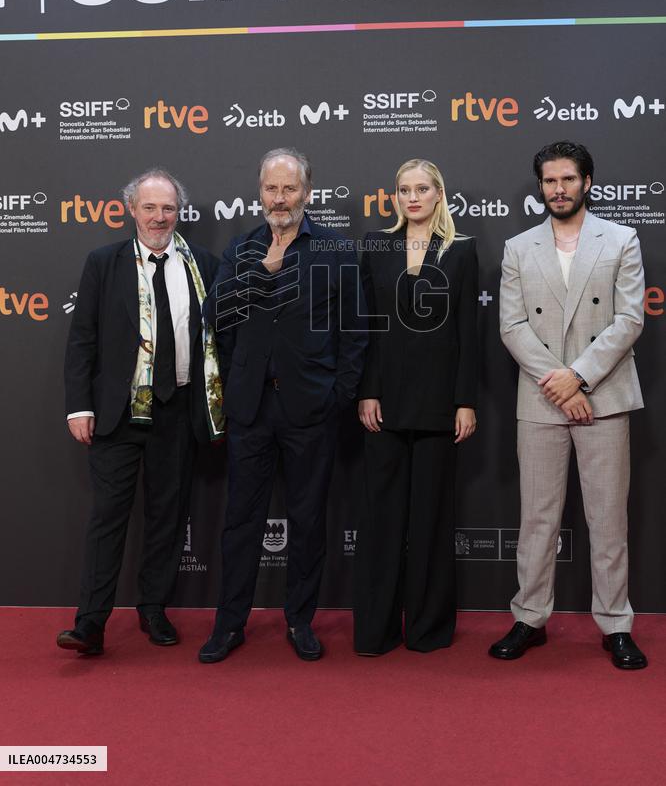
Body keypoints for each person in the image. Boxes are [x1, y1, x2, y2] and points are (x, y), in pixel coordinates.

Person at [199, 148, 367, 663]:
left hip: (310, 410)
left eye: (289, 189)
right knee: (240, 522)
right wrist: (264, 271)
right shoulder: (243, 248)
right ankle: (230, 625)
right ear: (260, 194)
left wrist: (337, 396)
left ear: (307, 193)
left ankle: (300, 621)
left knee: (308, 520)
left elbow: (355, 333)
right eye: (271, 189)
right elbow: (216, 315)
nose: (279, 198)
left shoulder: (336, 249)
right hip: (250, 410)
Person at [489, 141, 647, 669]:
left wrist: (577, 378)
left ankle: (616, 624)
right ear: (541, 186)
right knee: (537, 519)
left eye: (568, 179)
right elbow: (511, 325)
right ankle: (529, 617)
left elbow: (629, 321)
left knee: (608, 520)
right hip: (541, 400)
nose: (558, 189)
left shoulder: (622, 239)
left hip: (602, 396)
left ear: (587, 183)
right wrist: (558, 384)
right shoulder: (518, 248)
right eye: (550, 181)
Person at [57, 169, 223, 657]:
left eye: (168, 208)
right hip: (117, 415)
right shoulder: (103, 263)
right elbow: (82, 340)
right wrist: (78, 407)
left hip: (178, 412)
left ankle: (154, 609)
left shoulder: (205, 266)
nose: (159, 217)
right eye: (149, 207)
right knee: (108, 518)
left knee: (167, 519)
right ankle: (90, 624)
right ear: (132, 210)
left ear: (179, 213)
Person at [353, 159, 478, 655]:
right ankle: (376, 630)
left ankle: (427, 630)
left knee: (430, 520)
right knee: (381, 521)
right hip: (383, 404)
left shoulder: (462, 252)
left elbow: (468, 333)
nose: (412, 197)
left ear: (438, 193)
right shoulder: (376, 246)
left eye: (421, 188)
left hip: (439, 405)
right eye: (403, 189)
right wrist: (366, 389)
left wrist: (465, 401)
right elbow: (365, 327)